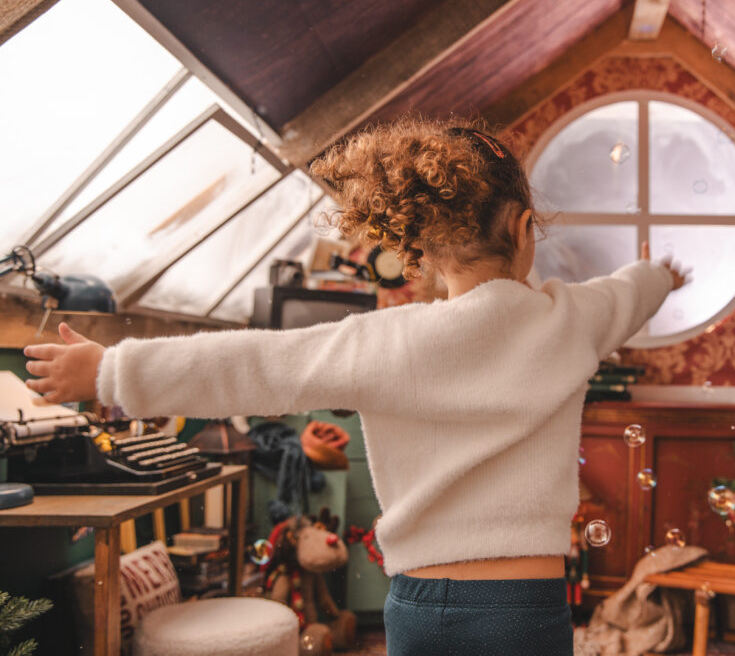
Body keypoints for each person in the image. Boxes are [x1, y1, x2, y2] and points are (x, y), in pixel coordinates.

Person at [23, 117, 689, 655]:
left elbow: (251, 365)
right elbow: (629, 291)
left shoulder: (385, 339)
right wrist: (665, 274)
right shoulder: (569, 320)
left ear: (420, 251)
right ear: (522, 229)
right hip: (526, 609)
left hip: (423, 608)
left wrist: (111, 370)